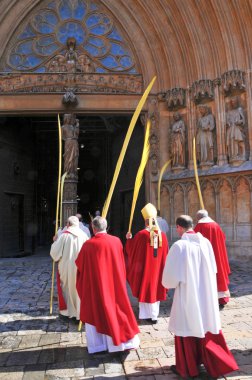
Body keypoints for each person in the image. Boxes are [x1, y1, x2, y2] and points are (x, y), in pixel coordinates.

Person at [162, 215, 238, 379]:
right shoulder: (206, 243)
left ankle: (188, 367)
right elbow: (214, 269)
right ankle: (210, 362)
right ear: (192, 226)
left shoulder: (179, 246)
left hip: (188, 295)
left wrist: (171, 282)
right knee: (205, 326)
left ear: (179, 228)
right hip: (206, 294)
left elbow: (169, 280)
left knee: (187, 328)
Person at [76, 216, 140, 354]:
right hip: (114, 284)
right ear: (107, 227)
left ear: (93, 228)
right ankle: (119, 344)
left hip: (97, 286)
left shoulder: (88, 245)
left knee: (96, 312)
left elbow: (80, 266)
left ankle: (98, 346)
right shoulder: (116, 241)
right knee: (117, 311)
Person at [125, 203, 169, 323]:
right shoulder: (162, 236)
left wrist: (129, 240)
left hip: (145, 270)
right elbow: (165, 254)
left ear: (145, 221)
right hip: (158, 269)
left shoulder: (141, 235)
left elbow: (131, 251)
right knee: (155, 288)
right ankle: (154, 315)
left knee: (146, 288)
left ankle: (146, 315)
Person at [50, 216, 89, 320]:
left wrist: (54, 241)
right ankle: (79, 314)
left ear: (68, 224)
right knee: (79, 290)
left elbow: (55, 253)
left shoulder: (64, 236)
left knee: (67, 289)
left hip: (66, 268)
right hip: (80, 268)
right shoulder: (84, 235)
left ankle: (68, 313)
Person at [194, 209, 231, 308]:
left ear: (199, 218)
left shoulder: (199, 226)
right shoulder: (216, 225)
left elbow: (194, 242)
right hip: (218, 254)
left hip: (206, 257)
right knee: (220, 274)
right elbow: (223, 238)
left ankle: (208, 299)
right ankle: (222, 299)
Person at [226, 96, 245, 160]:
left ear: (237, 102)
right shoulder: (229, 112)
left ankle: (243, 154)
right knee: (232, 142)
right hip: (231, 129)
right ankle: (233, 156)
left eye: (234, 101)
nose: (233, 103)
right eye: (232, 102)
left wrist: (239, 122)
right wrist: (228, 123)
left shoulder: (239, 109)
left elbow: (243, 120)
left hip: (237, 128)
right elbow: (227, 121)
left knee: (239, 141)